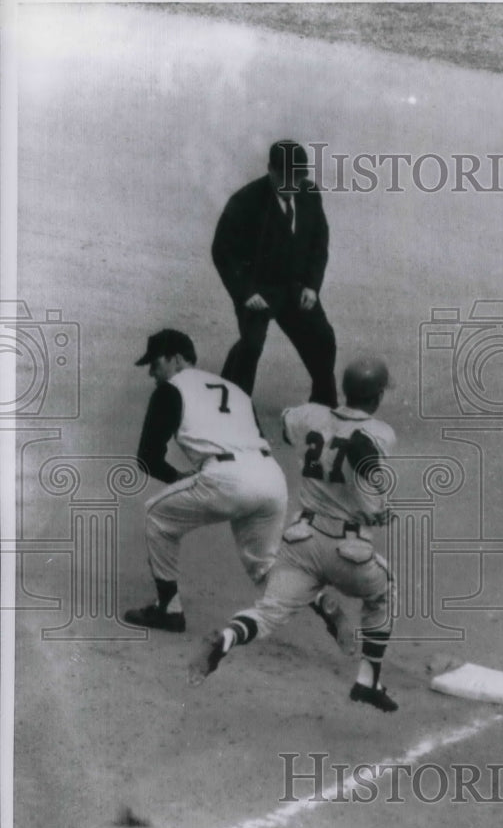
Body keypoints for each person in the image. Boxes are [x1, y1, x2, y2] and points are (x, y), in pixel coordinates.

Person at [188, 356, 399, 713]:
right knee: (383, 591)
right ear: (377, 397)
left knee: (268, 612)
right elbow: (371, 498)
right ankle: (368, 681)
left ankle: (226, 639)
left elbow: (285, 425)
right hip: (347, 551)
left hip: (300, 542)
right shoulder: (382, 434)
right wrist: (381, 513)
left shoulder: (309, 415)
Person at [124, 329, 289, 632]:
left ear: (175, 359)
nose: (151, 372)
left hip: (228, 481)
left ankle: (168, 609)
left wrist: (177, 477)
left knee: (156, 515)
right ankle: (320, 602)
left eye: (155, 363)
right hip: (272, 478)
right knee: (264, 565)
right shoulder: (235, 390)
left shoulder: (170, 389)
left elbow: (147, 457)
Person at [212, 139, 337, 407]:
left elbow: (319, 243)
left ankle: (324, 401)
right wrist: (245, 293)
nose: (293, 185)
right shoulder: (245, 201)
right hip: (259, 290)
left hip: (296, 288)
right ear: (271, 170)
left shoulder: (310, 194)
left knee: (323, 338)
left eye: (298, 177)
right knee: (251, 346)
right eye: (286, 177)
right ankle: (232, 407)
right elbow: (222, 252)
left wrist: (312, 286)